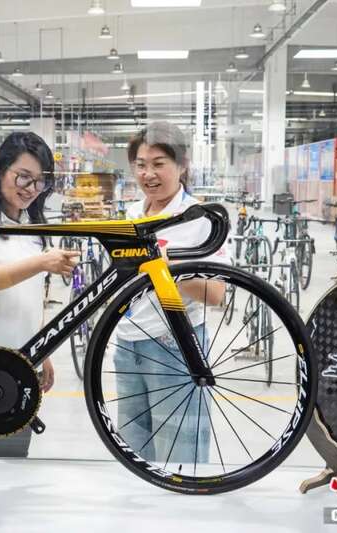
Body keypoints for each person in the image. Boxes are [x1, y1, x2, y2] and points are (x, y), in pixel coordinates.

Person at [0, 131, 80, 457]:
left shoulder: (32, 227)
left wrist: (43, 352)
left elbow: (33, 296)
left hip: (22, 366)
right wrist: (41, 262)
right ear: (0, 171)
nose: (31, 189)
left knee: (14, 463)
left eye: (40, 182)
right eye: (23, 177)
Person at [114, 121, 228, 464]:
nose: (148, 174)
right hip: (127, 345)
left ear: (182, 165)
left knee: (181, 461)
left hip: (175, 348)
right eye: (141, 164)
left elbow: (216, 293)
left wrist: (167, 267)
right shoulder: (133, 214)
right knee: (134, 457)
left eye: (158, 164)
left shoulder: (199, 218)